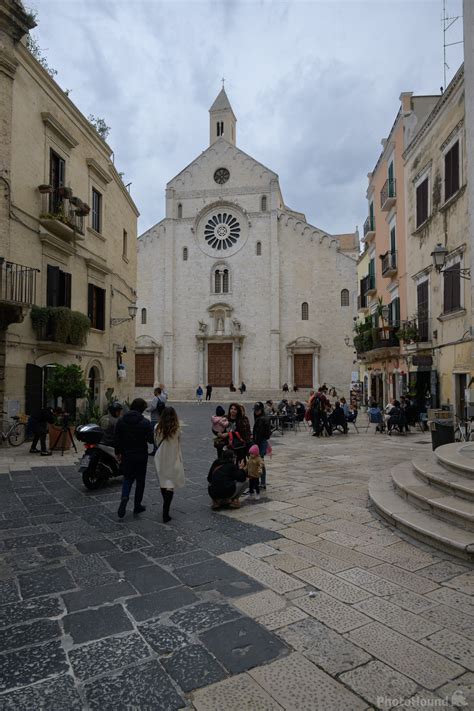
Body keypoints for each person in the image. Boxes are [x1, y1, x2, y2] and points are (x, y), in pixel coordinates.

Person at [115, 398, 154, 519]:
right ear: (142, 409)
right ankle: (137, 505)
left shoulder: (121, 421)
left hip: (127, 455)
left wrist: (118, 453)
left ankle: (125, 497)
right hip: (141, 455)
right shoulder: (145, 423)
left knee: (127, 479)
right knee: (140, 481)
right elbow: (150, 440)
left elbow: (117, 439)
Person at [154, 406, 185, 522]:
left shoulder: (157, 427)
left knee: (163, 481)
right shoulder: (176, 429)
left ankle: (165, 506)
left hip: (161, 457)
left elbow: (156, 442)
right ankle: (165, 511)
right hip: (173, 457)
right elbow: (179, 442)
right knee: (170, 483)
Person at [253, 402, 271, 490]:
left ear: (261, 410)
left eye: (258, 410)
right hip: (260, 442)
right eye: (255, 410)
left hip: (260, 443)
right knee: (260, 463)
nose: (256, 412)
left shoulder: (262, 419)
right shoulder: (260, 418)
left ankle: (262, 482)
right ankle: (261, 482)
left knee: (260, 463)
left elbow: (264, 434)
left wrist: (255, 443)